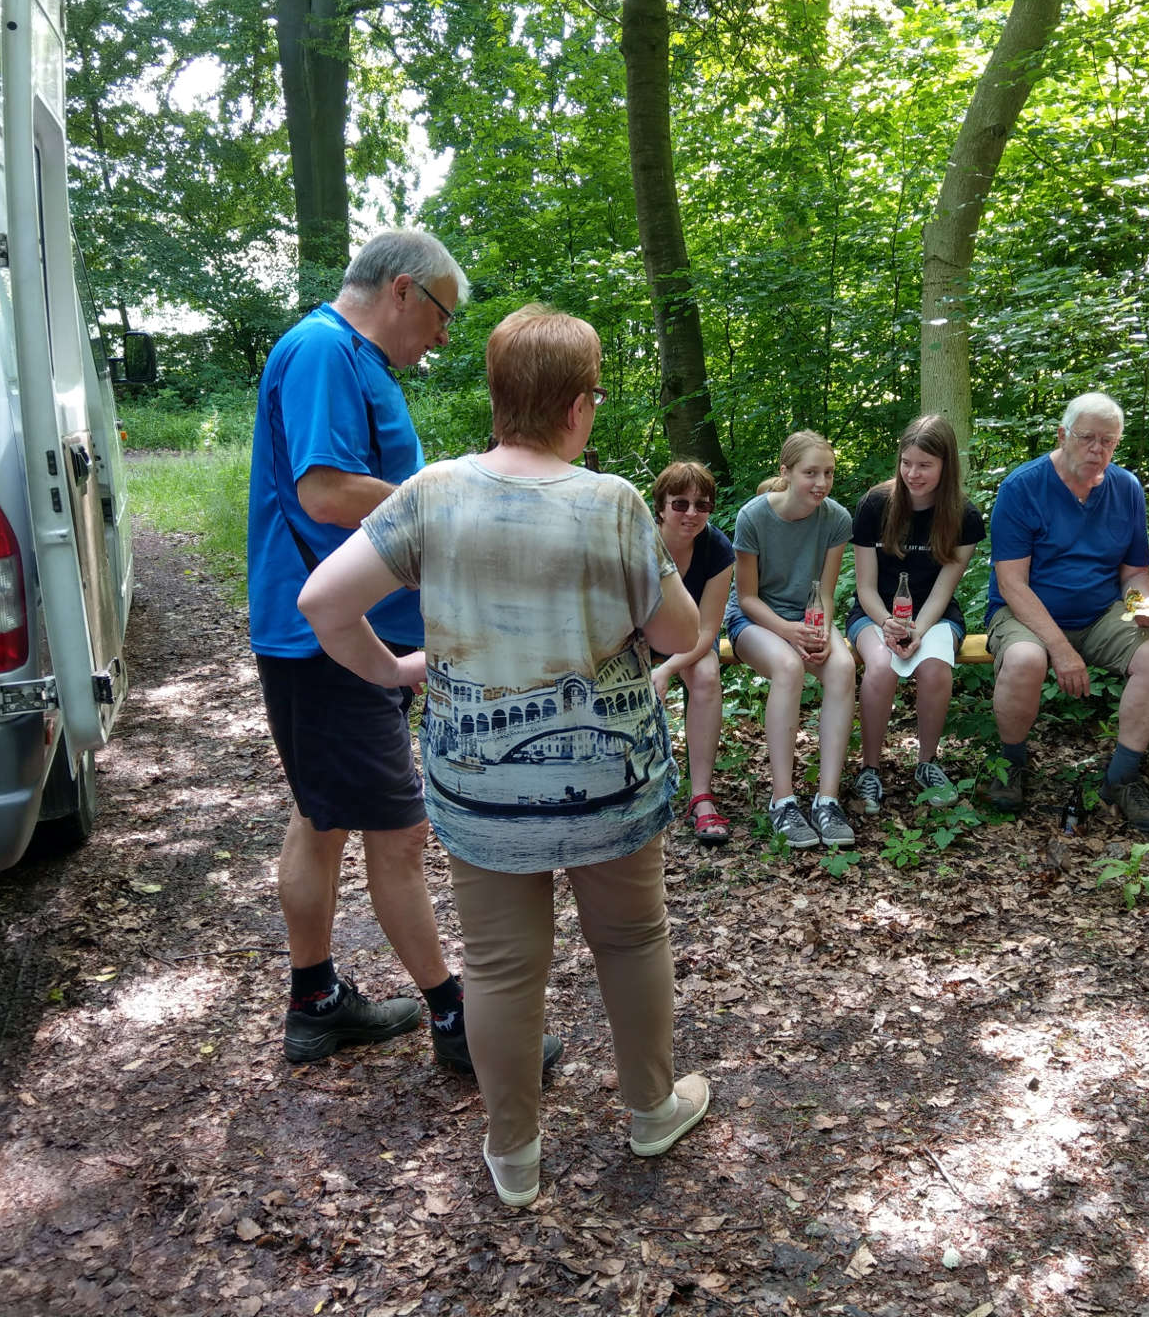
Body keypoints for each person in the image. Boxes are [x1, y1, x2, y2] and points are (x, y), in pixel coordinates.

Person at [298, 304, 711, 1208]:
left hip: (481, 791)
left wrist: (394, 669)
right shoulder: (613, 502)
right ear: (577, 406)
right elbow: (679, 633)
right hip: (611, 785)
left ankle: (515, 1154)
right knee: (632, 938)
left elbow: (323, 602)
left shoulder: (433, 493)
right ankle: (651, 1110)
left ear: (497, 398)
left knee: (497, 967)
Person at [247, 229, 559, 1075]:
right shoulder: (324, 351)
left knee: (321, 818)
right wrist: (452, 501)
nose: (445, 336)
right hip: (329, 642)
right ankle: (457, 1021)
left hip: (343, 636)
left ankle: (315, 1003)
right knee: (399, 832)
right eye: (443, 315)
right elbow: (324, 491)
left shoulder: (350, 358)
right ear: (402, 290)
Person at [984, 394, 1149, 828]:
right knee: (1025, 658)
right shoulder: (1023, 486)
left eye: (1108, 441)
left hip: (1099, 612)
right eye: (1087, 438)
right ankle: (1011, 764)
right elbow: (1012, 583)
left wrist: (1141, 604)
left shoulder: (1126, 488)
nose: (1097, 449)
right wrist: (1060, 649)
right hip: (1024, 612)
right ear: (1062, 435)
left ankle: (1122, 778)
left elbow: (1134, 573)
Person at [847, 414, 986, 811]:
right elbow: (865, 587)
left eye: (925, 465)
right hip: (875, 612)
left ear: (946, 465)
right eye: (906, 463)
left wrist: (918, 631)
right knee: (881, 667)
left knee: (935, 667)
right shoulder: (875, 505)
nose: (913, 473)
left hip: (935, 615)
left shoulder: (964, 516)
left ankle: (927, 763)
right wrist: (887, 623)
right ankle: (869, 768)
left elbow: (944, 589)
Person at [727, 431, 857, 849]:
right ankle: (783, 801)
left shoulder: (836, 519)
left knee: (842, 667)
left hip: (807, 617)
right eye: (810, 473)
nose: (822, 483)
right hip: (755, 619)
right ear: (786, 472)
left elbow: (826, 593)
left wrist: (821, 631)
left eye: (829, 473)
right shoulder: (752, 517)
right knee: (787, 666)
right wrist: (788, 632)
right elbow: (747, 597)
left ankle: (827, 800)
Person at [648, 461, 735, 844]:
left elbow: (707, 630)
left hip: (690, 639)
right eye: (680, 503)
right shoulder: (638, 542)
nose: (692, 513)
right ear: (661, 506)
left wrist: (667, 669)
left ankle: (701, 796)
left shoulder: (716, 548)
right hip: (638, 636)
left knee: (706, 675)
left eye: (702, 505)